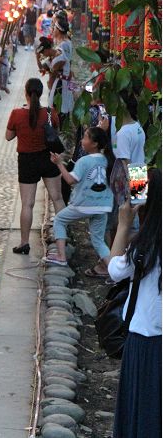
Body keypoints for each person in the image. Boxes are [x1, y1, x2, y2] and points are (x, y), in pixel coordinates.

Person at [108, 169, 161, 438]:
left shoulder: (145, 247)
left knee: (141, 414)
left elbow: (114, 271)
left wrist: (124, 224)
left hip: (145, 340)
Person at [5, 78, 66, 255]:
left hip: (27, 161)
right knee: (57, 198)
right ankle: (63, 237)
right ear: (41, 93)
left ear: (26, 93)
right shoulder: (49, 113)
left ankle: (24, 242)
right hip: (48, 158)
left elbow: (8, 137)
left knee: (27, 204)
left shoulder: (17, 114)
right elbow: (56, 132)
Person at [46, 127, 114, 269]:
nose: (82, 140)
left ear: (94, 143)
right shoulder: (106, 159)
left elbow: (71, 180)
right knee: (98, 241)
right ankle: (113, 270)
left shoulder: (84, 161)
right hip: (104, 205)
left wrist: (59, 164)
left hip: (84, 203)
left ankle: (61, 256)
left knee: (59, 219)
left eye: (85, 137)